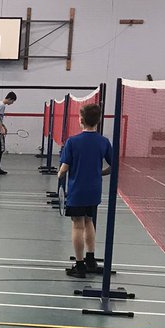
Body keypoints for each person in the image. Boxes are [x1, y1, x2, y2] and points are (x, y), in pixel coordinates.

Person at [57, 102, 112, 279]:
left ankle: (80, 265)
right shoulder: (104, 142)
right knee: (89, 222)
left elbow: (64, 168)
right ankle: (90, 260)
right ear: (98, 121)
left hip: (77, 191)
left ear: (81, 120)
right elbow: (114, 166)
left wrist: (59, 175)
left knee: (77, 225)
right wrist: (100, 173)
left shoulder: (72, 141)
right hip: (94, 191)